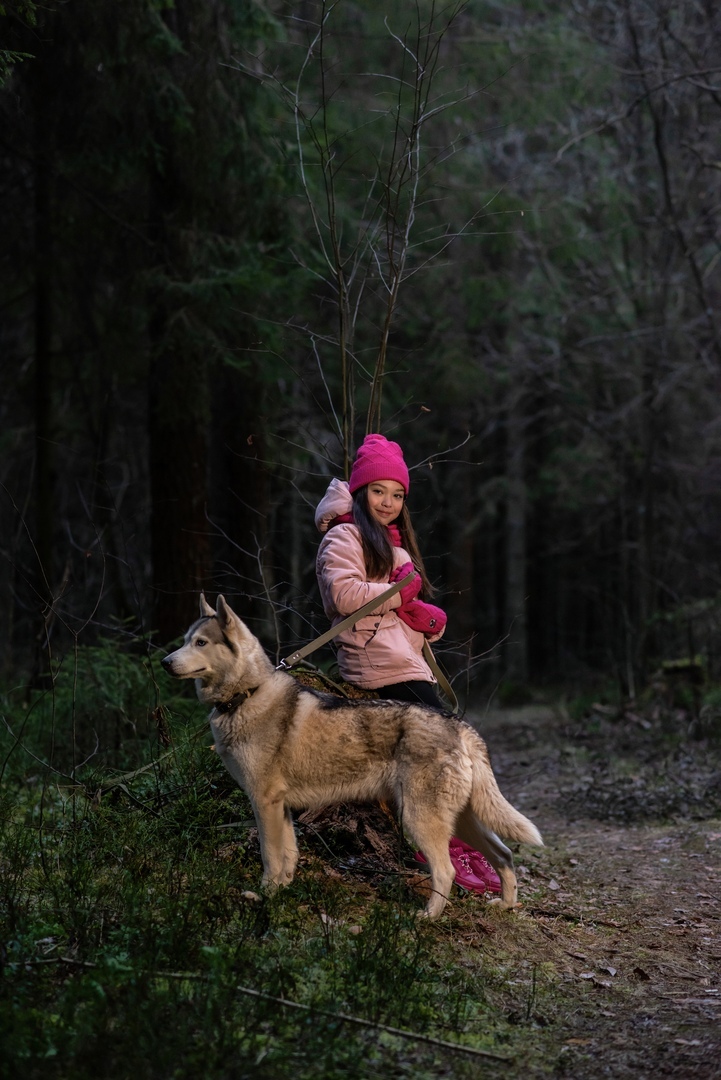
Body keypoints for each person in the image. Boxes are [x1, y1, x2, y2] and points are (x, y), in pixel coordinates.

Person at [315, 433, 500, 896]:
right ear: (360, 491)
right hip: (374, 661)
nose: (388, 502)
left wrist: (424, 621)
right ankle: (436, 844)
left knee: (448, 748)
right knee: (438, 749)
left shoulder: (393, 544)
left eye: (397, 495)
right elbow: (343, 596)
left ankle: (461, 839)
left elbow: (396, 610)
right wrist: (400, 595)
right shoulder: (343, 536)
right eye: (378, 491)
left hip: (402, 660)